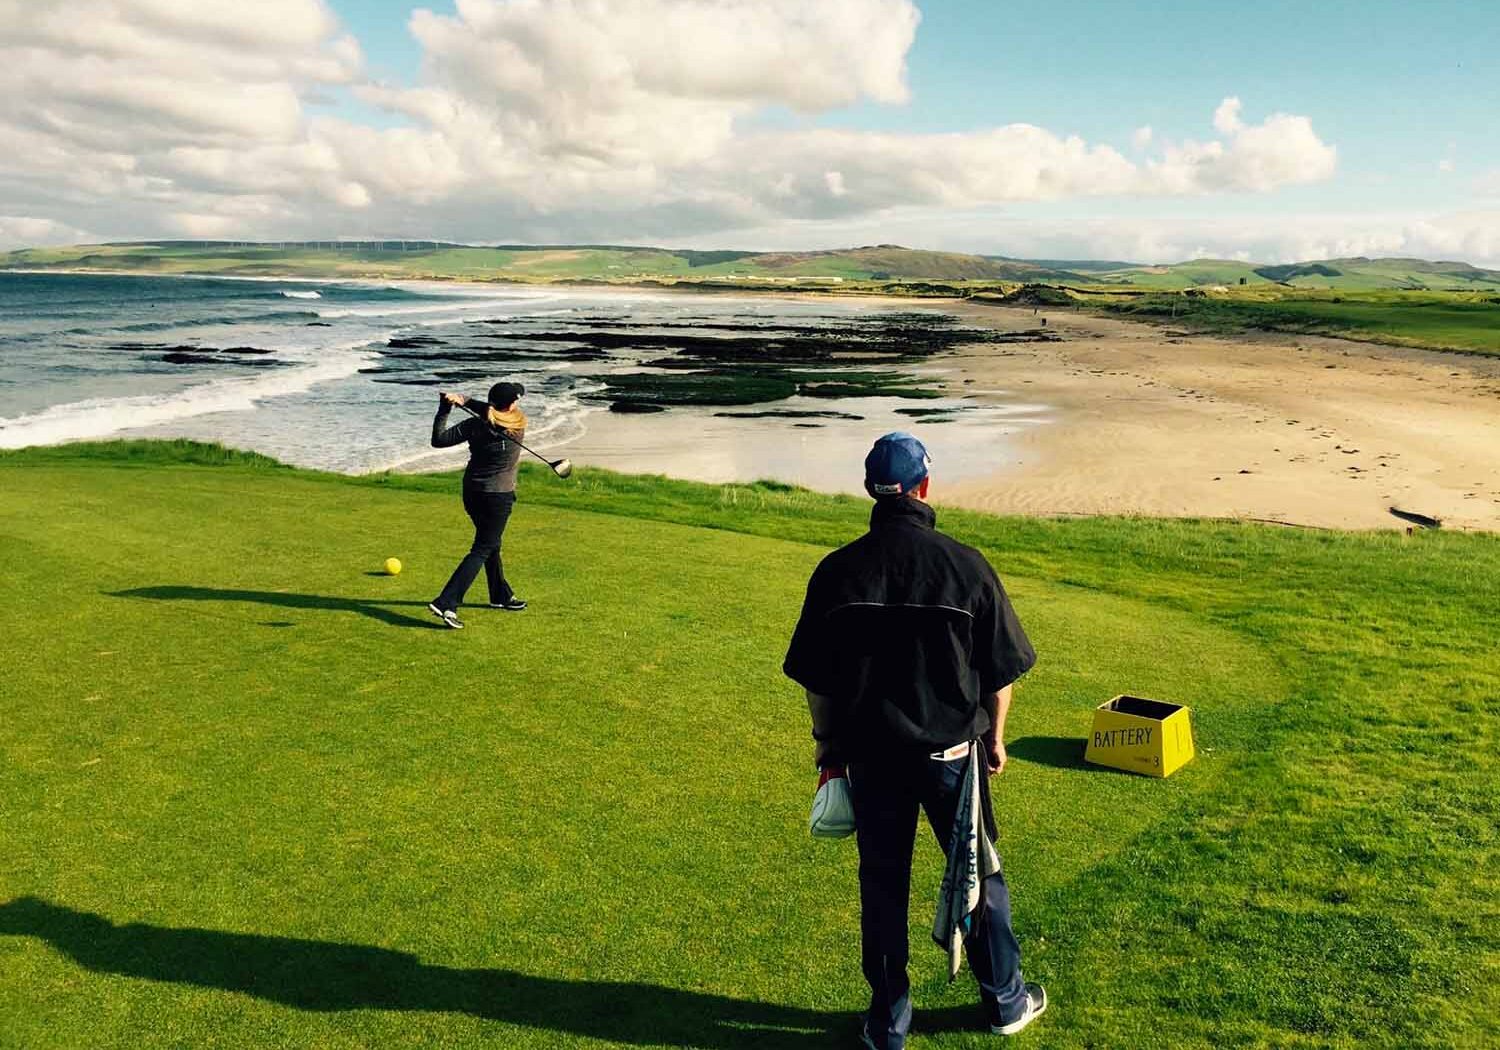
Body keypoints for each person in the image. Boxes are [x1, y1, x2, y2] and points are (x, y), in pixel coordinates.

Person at [782, 433, 1046, 1048]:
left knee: (882, 883)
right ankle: (1004, 999)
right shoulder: (965, 564)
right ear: (925, 486)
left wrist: (826, 743)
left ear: (872, 490)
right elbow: (999, 675)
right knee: (977, 871)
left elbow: (816, 681)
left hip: (871, 760)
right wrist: (998, 741)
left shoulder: (838, 570)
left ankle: (889, 1018)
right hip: (953, 756)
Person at [426, 380, 530, 629]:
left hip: (472, 493)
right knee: (484, 546)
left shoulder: (475, 425)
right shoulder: (518, 428)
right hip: (498, 497)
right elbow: (495, 413)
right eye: (516, 399)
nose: (517, 403)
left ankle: (500, 595)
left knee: (491, 543)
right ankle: (446, 601)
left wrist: (447, 408)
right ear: (511, 405)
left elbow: (438, 440)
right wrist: (467, 401)